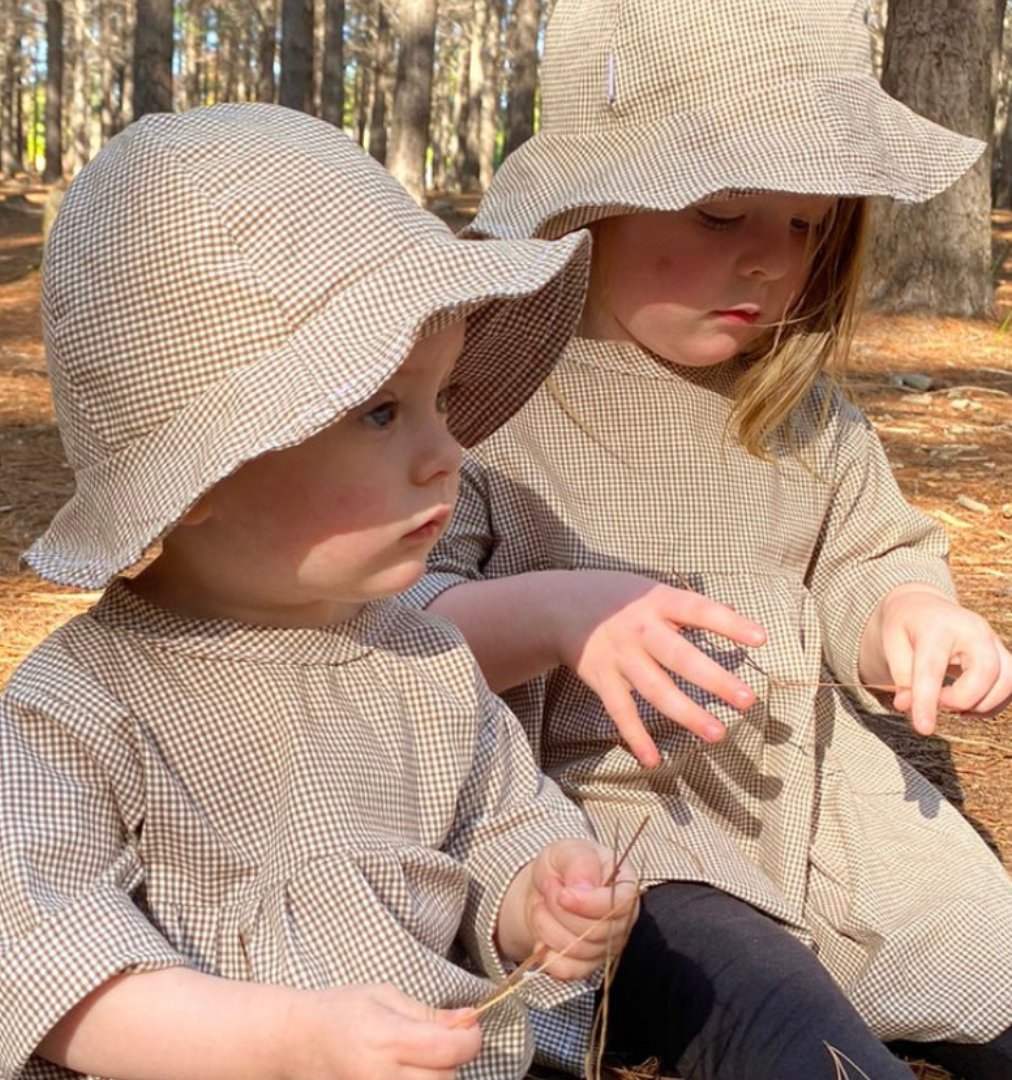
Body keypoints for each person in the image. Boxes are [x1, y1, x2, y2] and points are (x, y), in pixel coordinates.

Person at [0, 104, 640, 1080]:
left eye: (440, 402)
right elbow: (55, 973)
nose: (447, 454)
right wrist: (284, 1045)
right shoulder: (84, 703)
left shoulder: (427, 662)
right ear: (201, 477)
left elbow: (499, 833)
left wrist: (548, 897)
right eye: (381, 412)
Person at [403, 1, 1012, 1077]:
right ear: (591, 210)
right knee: (789, 1035)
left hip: (826, 811)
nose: (771, 264)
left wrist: (909, 618)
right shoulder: (489, 404)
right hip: (613, 825)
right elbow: (404, 630)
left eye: (806, 226)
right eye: (726, 216)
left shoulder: (800, 414)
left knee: (993, 963)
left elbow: (869, 555)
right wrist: (557, 615)